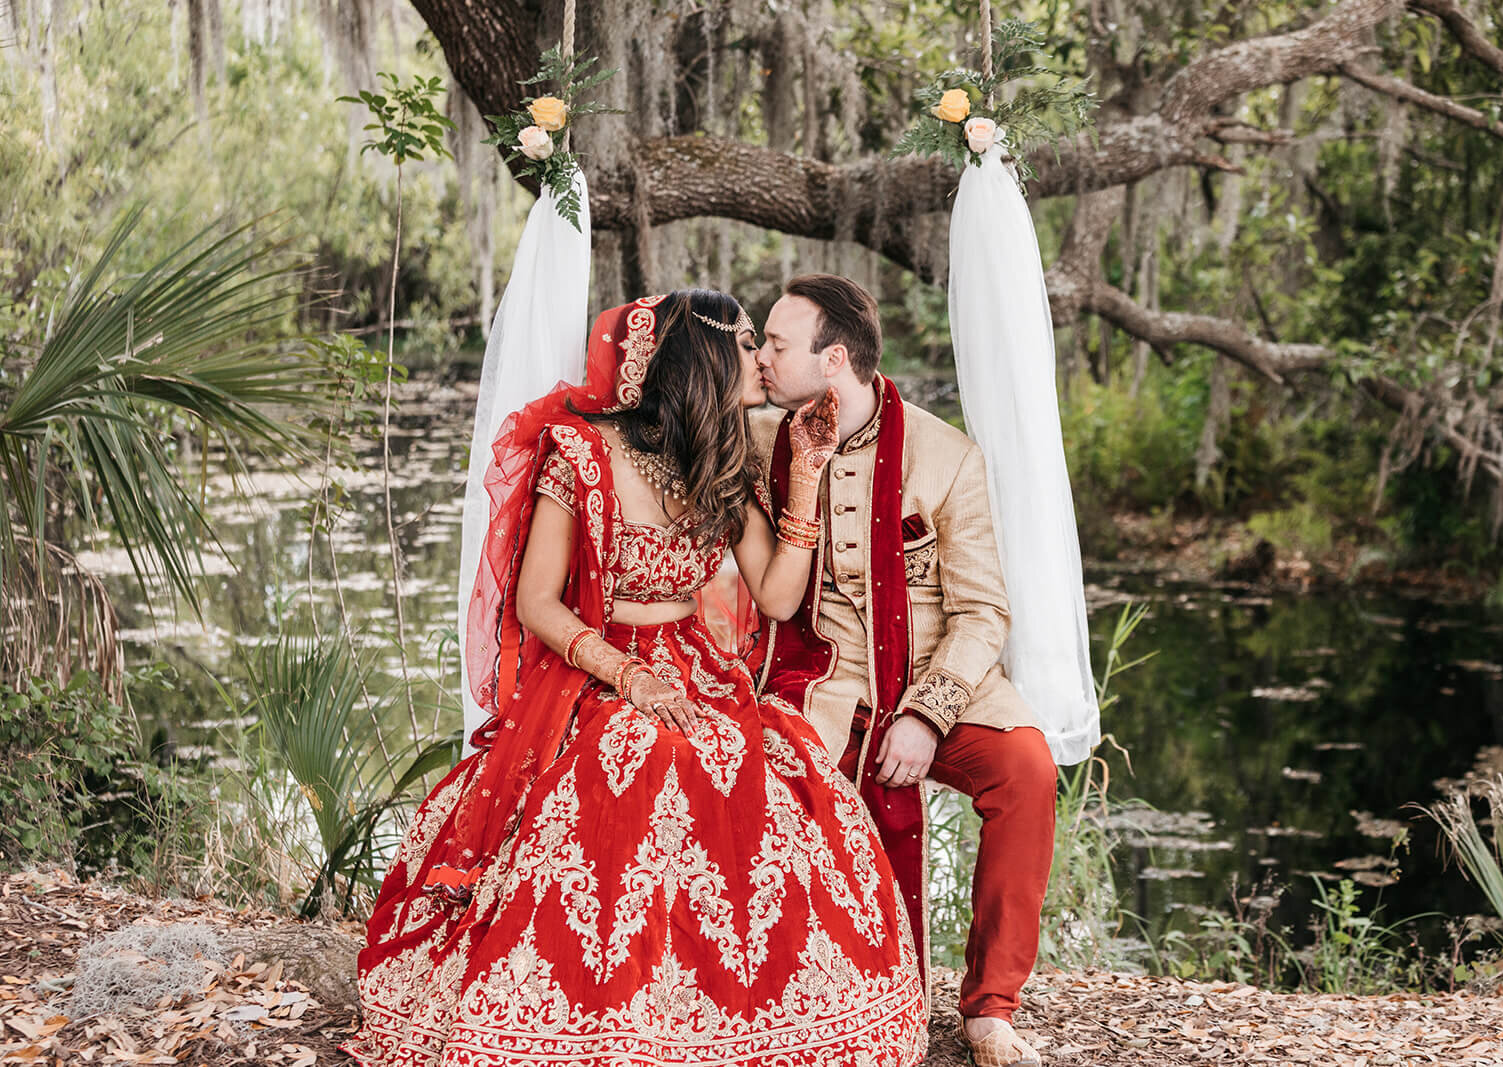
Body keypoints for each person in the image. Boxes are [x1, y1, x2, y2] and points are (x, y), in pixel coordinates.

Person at [343, 290, 927, 1066]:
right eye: (748, 345)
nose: (763, 361)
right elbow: (536, 601)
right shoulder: (583, 453)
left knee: (763, 767)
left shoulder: (723, 461)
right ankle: (607, 1015)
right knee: (638, 759)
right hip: (593, 665)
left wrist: (807, 477)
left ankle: (728, 1016)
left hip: (695, 665)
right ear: (706, 360)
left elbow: (779, 595)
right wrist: (626, 675)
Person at [750, 274, 1058, 1067]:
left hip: (934, 678)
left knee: (1026, 770)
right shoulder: (759, 441)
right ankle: (815, 991)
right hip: (823, 683)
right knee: (768, 778)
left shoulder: (946, 456)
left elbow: (984, 611)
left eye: (777, 345)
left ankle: (990, 1008)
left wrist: (926, 713)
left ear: (834, 360)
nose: (761, 359)